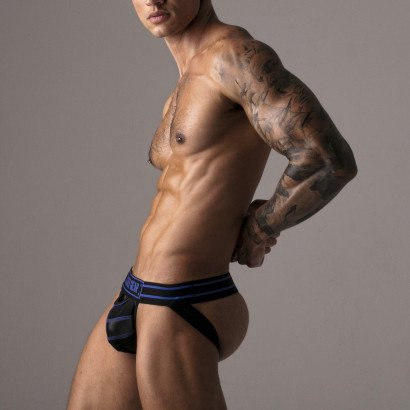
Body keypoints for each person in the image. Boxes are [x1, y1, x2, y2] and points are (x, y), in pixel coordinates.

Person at [67, 0, 357, 408]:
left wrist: (260, 228)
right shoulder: (186, 76)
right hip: (135, 291)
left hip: (185, 297)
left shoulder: (235, 58)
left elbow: (328, 159)